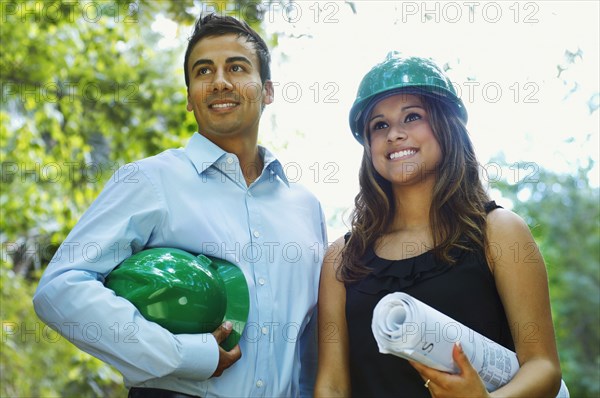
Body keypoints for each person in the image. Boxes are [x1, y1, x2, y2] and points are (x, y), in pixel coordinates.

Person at [33, 14, 327, 398]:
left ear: (267, 90)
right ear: (190, 97)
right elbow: (60, 289)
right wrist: (185, 355)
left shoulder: (306, 209)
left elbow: (314, 343)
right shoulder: (149, 180)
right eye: (203, 71)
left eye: (236, 67)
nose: (220, 81)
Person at [314, 52, 562, 397]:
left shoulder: (500, 232)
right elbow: (331, 386)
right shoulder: (341, 258)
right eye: (379, 125)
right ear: (368, 145)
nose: (394, 134)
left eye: (411, 116)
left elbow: (544, 368)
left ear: (445, 127)